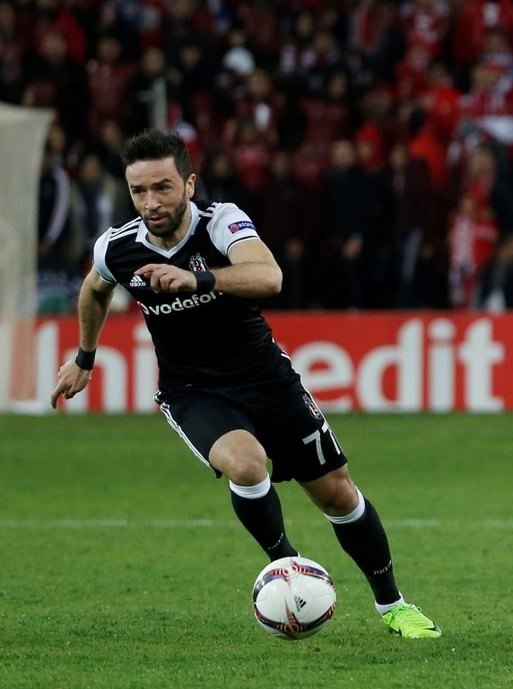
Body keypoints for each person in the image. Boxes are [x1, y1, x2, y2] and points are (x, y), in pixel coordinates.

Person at [49, 129, 441, 639]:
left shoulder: (220, 223)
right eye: (138, 191)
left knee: (338, 495)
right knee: (246, 464)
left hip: (266, 379)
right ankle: (289, 569)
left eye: (163, 187)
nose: (151, 202)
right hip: (193, 392)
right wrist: (84, 357)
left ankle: (393, 605)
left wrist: (201, 278)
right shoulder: (117, 247)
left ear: (189, 184)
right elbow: (95, 289)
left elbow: (269, 276)